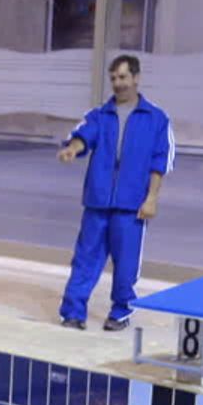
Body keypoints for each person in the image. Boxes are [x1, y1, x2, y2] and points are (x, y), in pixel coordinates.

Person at [56, 53, 173, 331]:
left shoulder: (156, 119)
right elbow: (83, 136)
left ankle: (120, 312)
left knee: (126, 266)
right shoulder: (99, 115)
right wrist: (73, 148)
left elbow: (161, 162)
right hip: (98, 202)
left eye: (122, 77)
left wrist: (152, 198)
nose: (118, 83)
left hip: (132, 206)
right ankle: (73, 312)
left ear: (136, 78)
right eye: (113, 78)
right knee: (85, 260)